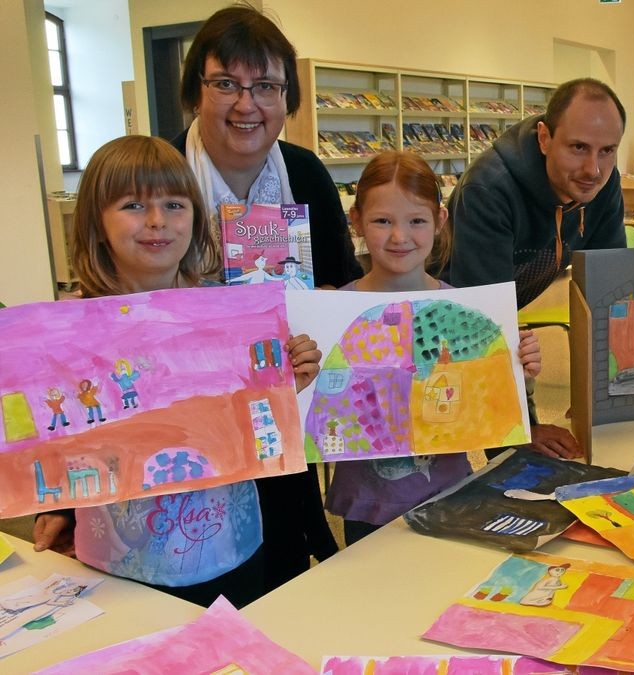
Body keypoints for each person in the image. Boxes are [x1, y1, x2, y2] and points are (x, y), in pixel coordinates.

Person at [32, 135, 322, 608]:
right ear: (95, 223)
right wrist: (58, 504)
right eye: (132, 205)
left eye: (174, 204)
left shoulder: (232, 314)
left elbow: (253, 421)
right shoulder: (67, 331)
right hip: (117, 560)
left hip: (230, 546)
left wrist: (290, 383)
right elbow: (59, 433)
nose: (156, 221)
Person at [175, 5, 358, 591]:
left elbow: (342, 281)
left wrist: (318, 308)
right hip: (183, 430)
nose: (246, 104)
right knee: (196, 580)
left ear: (287, 98)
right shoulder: (157, 173)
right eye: (225, 83)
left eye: (267, 87)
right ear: (195, 92)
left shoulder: (305, 174)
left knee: (278, 576)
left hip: (281, 423)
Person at [325, 151, 571, 546]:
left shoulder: (465, 312)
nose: (399, 237)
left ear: (440, 222)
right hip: (367, 502)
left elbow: (486, 405)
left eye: (416, 221)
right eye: (382, 221)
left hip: (448, 493)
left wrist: (516, 373)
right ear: (356, 221)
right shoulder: (334, 312)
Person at [443, 78, 627, 309]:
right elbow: (483, 315)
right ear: (544, 139)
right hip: (442, 322)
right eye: (579, 147)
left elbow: (609, 287)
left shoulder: (604, 184)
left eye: (607, 150)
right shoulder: (488, 189)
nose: (593, 170)